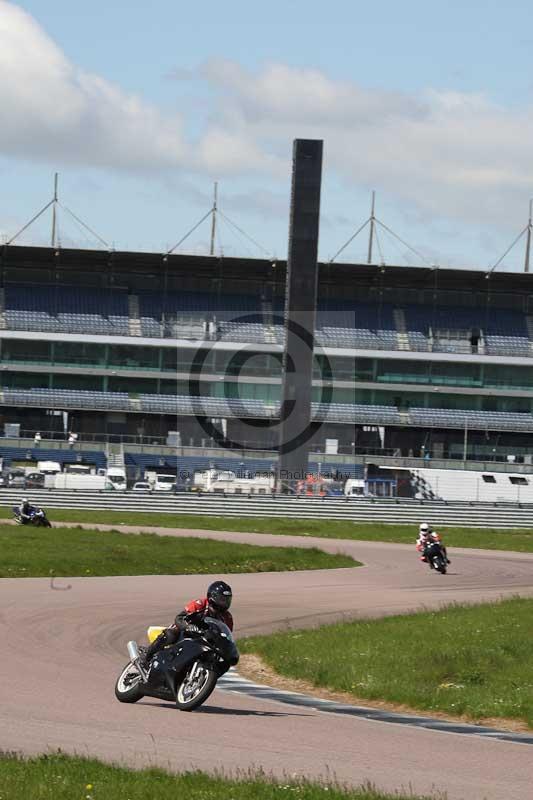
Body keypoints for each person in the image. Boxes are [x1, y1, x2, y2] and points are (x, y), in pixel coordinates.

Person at [139, 580, 233, 669]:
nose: (225, 603)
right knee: (170, 634)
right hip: (184, 632)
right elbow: (179, 618)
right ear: (212, 597)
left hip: (205, 640)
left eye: (227, 600)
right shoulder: (200, 604)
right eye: (222, 600)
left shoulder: (227, 617)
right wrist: (188, 627)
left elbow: (226, 636)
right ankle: (146, 657)